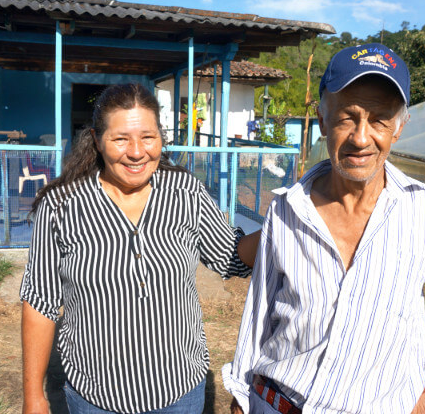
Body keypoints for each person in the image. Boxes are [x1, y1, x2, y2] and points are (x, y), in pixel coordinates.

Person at [223, 43, 425, 414]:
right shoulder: (287, 210)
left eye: (380, 119)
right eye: (347, 117)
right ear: (322, 120)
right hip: (276, 404)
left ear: (398, 128)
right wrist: (242, 395)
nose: (361, 138)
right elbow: (260, 314)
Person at [21, 83, 257, 414]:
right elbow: (39, 302)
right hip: (95, 399)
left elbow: (231, 256)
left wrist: (280, 227)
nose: (136, 152)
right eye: (121, 139)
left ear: (160, 137)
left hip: (179, 393)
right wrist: (33, 396)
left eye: (148, 137)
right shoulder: (61, 207)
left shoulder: (185, 194)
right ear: (97, 140)